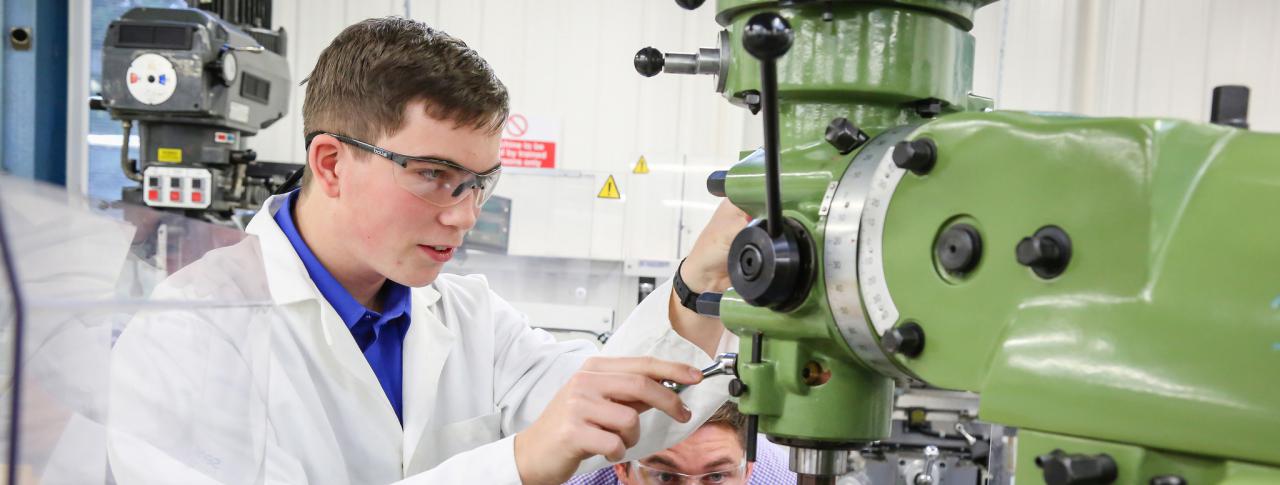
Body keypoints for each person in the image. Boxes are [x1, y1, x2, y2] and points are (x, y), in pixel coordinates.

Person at [106, 16, 750, 485]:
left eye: (478, 182)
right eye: (431, 174)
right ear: (331, 164)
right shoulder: (190, 332)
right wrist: (517, 462)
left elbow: (636, 419)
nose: (465, 214)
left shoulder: (470, 318)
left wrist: (705, 270)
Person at [564, 402, 796, 485]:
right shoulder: (573, 476)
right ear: (621, 467)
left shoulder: (785, 477)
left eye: (715, 477)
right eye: (666, 477)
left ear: (748, 470)